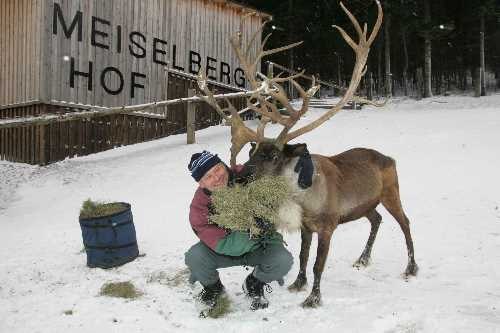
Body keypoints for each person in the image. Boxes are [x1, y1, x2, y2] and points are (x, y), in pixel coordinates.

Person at [184, 150, 293, 311]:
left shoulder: (246, 174)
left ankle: (254, 282)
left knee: (282, 260)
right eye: (208, 176)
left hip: (259, 246)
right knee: (195, 257)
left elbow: (276, 177)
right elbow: (226, 245)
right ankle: (214, 288)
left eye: (217, 169)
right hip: (224, 251)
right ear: (201, 184)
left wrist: (289, 167)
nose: (216, 177)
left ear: (224, 165)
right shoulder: (199, 208)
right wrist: (253, 226)